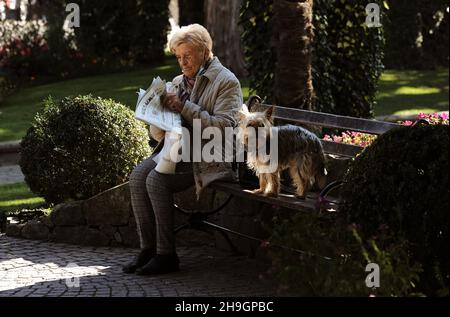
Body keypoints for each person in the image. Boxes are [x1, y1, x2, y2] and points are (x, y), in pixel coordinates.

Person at [122, 24, 243, 275]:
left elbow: (224, 127)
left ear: (204, 51)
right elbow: (163, 131)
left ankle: (166, 255)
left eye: (187, 55)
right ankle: (148, 249)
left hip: (211, 156)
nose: (182, 62)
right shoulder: (178, 82)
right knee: (136, 177)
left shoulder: (227, 81)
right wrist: (158, 118)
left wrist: (184, 108)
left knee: (156, 181)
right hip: (176, 150)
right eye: (178, 57)